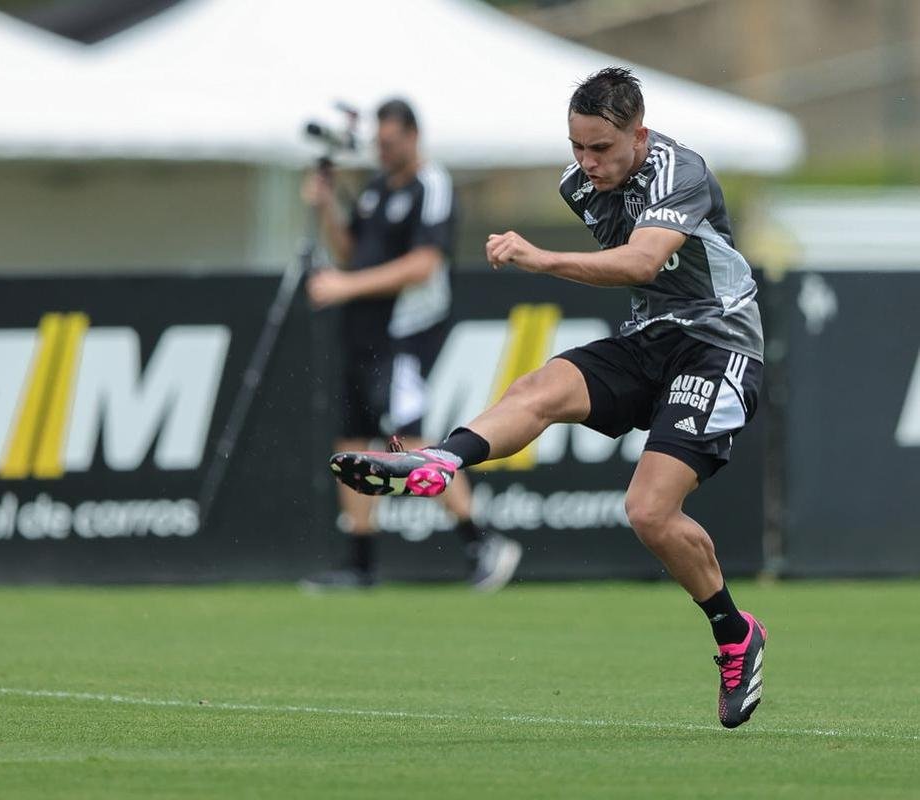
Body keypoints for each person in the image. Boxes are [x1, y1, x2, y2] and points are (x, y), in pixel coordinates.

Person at [328, 69, 767, 729]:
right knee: (540, 387)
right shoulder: (580, 185)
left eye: (601, 149)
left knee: (649, 512)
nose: (586, 164)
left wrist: (538, 258)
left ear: (639, 134)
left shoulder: (684, 171)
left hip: (719, 346)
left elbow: (643, 262)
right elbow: (638, 274)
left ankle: (735, 633)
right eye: (577, 147)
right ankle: (441, 461)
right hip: (652, 339)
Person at [301, 98, 521, 592]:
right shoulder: (377, 188)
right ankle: (360, 565)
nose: (382, 151)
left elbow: (424, 264)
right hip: (362, 334)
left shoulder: (432, 185)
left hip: (404, 335)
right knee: (353, 443)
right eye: (378, 143)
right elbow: (350, 252)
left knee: (412, 441)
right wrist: (327, 203)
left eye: (391, 142)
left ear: (413, 137)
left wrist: (344, 287)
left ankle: (482, 544)